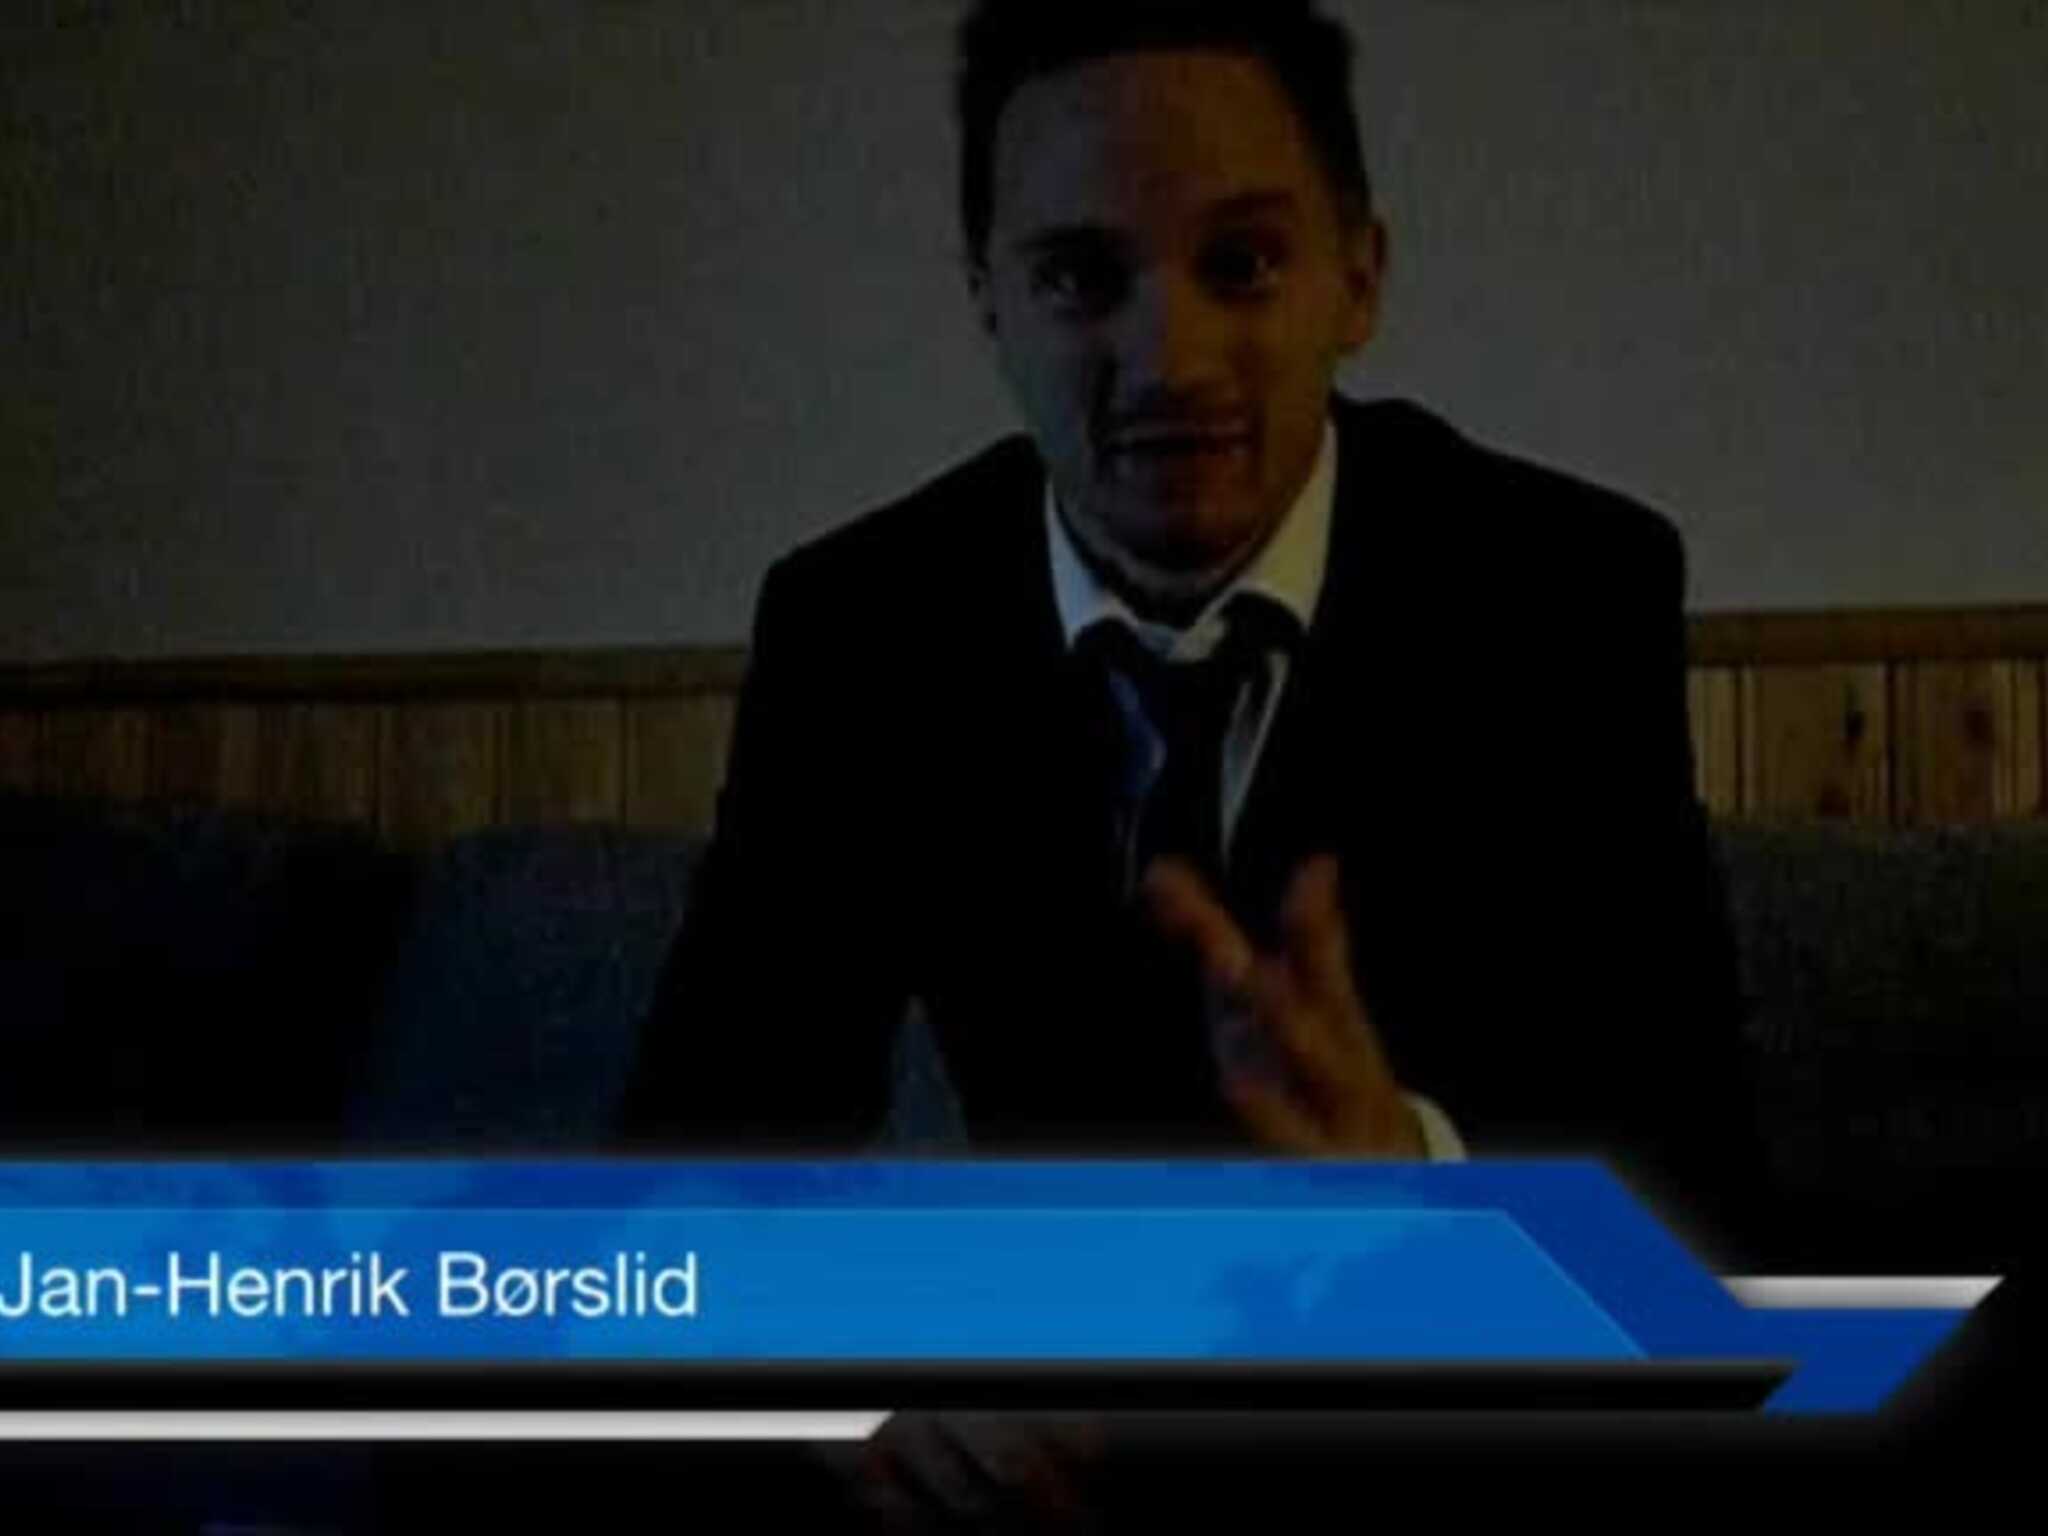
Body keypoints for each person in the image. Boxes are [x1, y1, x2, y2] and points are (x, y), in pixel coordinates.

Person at [621, 5, 1776, 1512]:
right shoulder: (864, 628)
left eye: (1242, 264)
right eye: (1080, 277)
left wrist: (1431, 1197)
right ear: (988, 302)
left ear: (1359, 277)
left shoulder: (1562, 593)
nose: (1168, 362)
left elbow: (1706, 1226)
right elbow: (685, 1177)